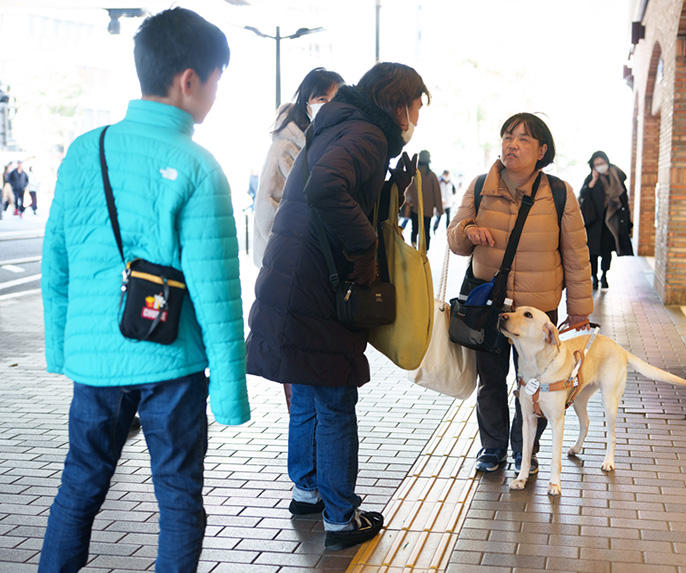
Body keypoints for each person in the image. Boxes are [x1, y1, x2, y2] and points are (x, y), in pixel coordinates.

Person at [39, 9, 250, 572]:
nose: (214, 95)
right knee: (178, 499)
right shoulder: (199, 167)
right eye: (216, 82)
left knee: (78, 488)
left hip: (94, 365)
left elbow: (54, 261)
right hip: (171, 365)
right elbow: (217, 293)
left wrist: (63, 351)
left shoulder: (85, 151)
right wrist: (230, 395)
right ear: (189, 80)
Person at [246, 62, 429, 551]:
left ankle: (306, 491)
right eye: (416, 107)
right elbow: (328, 186)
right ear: (398, 104)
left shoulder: (338, 124)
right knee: (333, 400)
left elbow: (331, 185)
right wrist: (366, 247)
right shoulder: (367, 134)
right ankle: (341, 519)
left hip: (295, 279)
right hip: (320, 286)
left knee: (307, 393)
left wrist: (392, 188)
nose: (416, 118)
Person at [448, 113, 593, 475]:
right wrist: (469, 230)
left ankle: (524, 450)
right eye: (508, 136)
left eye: (523, 139)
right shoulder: (481, 186)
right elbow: (454, 238)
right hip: (490, 309)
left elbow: (576, 256)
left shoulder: (559, 194)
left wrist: (579, 312)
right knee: (491, 381)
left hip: (537, 313)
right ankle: (493, 448)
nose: (512, 144)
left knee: (536, 385)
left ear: (542, 150)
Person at [252, 67, 344, 268]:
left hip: (313, 262)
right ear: (306, 103)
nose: (329, 106)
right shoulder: (285, 147)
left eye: (335, 100)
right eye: (321, 99)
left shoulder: (333, 144)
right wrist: (288, 252)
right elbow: (266, 207)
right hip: (287, 261)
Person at [578, 150, 634, 290]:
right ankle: (594, 278)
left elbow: (624, 200)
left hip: (611, 221)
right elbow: (583, 196)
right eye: (597, 164)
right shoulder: (591, 178)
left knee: (606, 251)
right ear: (593, 166)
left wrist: (628, 223)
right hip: (594, 221)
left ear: (607, 162)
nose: (600, 166)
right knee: (593, 253)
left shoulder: (617, 177)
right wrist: (593, 180)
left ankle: (604, 275)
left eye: (602, 163)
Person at [403, 149, 442, 247]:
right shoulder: (432, 176)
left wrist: (408, 202)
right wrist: (439, 210)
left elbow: (407, 191)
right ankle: (425, 252)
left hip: (415, 209)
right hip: (428, 211)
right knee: (426, 231)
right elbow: (437, 194)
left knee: (414, 229)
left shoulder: (414, 175)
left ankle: (414, 247)